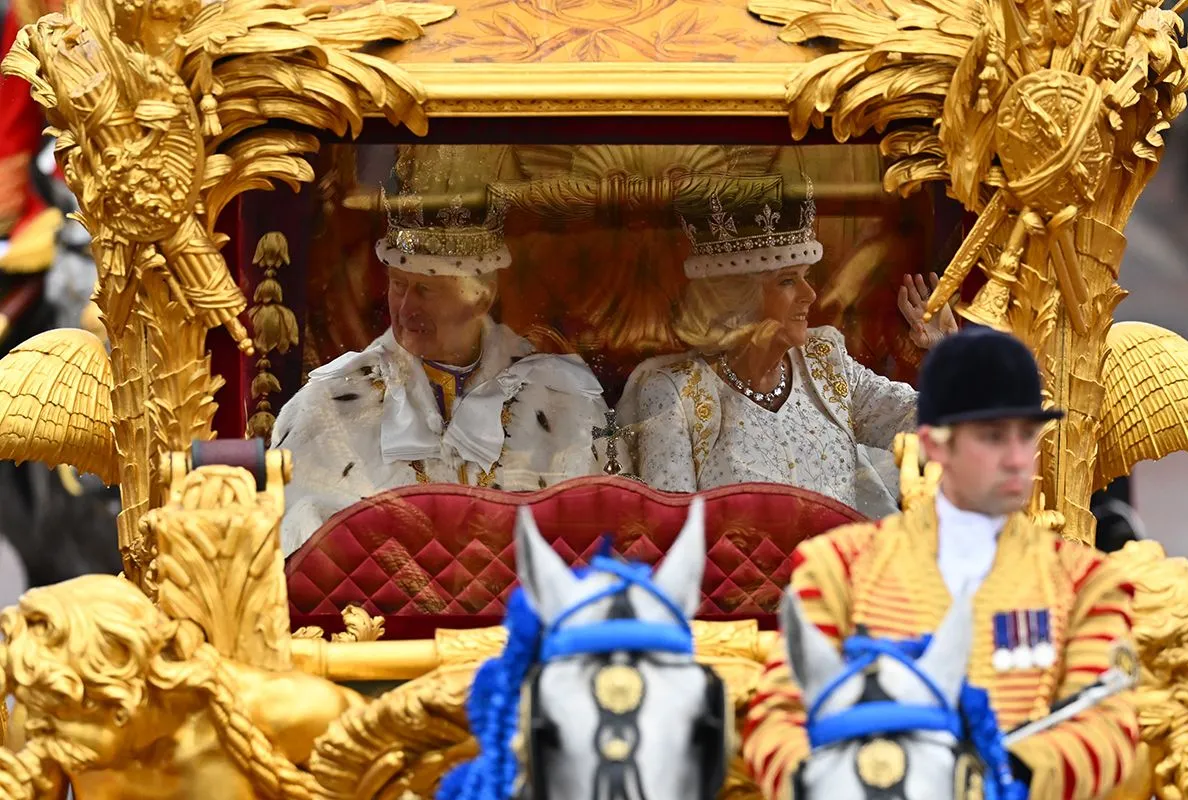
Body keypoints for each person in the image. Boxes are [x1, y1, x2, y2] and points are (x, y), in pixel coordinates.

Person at [743, 328, 1137, 800]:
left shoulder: (1084, 580)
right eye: (993, 436)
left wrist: (1008, 773)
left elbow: (1108, 726)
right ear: (933, 445)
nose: (1018, 458)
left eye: (1027, 434)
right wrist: (833, 784)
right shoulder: (840, 565)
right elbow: (778, 716)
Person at [272, 190, 615, 556]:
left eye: (425, 290)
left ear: (481, 297)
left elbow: (602, 537)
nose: (405, 308)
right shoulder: (330, 403)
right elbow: (298, 556)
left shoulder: (562, 399)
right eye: (398, 285)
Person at [618, 176, 956, 517]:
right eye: (787, 281)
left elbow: (932, 431)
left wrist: (950, 352)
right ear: (737, 298)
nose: (810, 295)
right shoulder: (677, 394)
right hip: (735, 571)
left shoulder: (825, 362)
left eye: (806, 276)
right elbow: (671, 533)